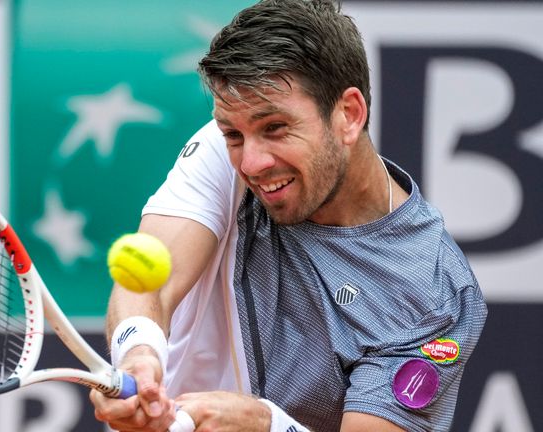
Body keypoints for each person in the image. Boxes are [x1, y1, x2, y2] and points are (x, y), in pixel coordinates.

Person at [89, 0, 487, 431]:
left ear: (349, 115)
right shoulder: (219, 154)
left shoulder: (431, 295)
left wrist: (266, 424)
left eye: (275, 128)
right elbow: (150, 283)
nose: (252, 163)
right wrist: (139, 355)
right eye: (234, 134)